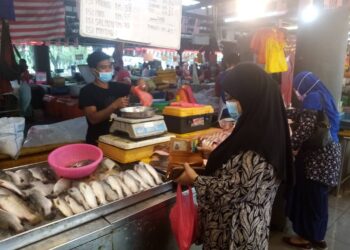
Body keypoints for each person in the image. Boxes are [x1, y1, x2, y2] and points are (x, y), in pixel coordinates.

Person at [176, 63, 293, 249]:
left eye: (233, 97)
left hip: (236, 235)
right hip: (234, 227)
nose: (230, 102)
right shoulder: (259, 128)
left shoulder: (260, 142)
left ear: (251, 96)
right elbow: (241, 170)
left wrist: (195, 179)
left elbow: (237, 190)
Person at [283, 72, 341, 250]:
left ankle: (305, 237)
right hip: (330, 154)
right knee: (319, 198)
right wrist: (283, 110)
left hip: (318, 158)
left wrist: (287, 145)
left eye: (297, 88)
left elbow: (305, 129)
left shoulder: (313, 98)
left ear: (304, 86)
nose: (297, 92)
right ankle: (317, 236)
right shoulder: (324, 95)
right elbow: (306, 115)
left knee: (310, 197)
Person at [79, 51, 152, 145]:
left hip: (119, 139)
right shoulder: (87, 91)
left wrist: (141, 86)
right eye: (103, 67)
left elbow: (135, 89)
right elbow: (93, 119)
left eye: (109, 66)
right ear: (93, 70)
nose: (108, 70)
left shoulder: (116, 86)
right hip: (98, 141)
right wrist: (114, 105)